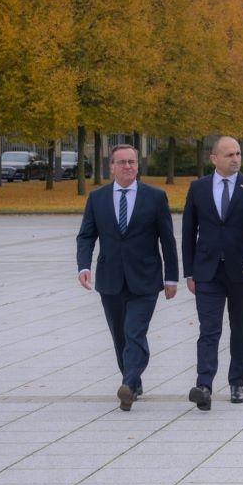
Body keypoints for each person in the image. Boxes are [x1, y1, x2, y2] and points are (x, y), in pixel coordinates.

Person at [76, 144, 178, 411]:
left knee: (135, 332)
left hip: (145, 279)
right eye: (121, 162)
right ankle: (132, 378)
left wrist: (172, 278)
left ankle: (128, 385)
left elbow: (167, 240)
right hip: (110, 279)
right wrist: (83, 266)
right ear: (111, 167)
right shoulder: (97, 198)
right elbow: (86, 235)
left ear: (137, 165)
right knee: (120, 337)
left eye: (132, 161)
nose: (127, 166)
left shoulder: (155, 197)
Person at [182, 136, 243, 410]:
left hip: (242, 270)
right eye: (230, 154)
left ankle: (237, 382)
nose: (236, 158)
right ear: (214, 159)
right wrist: (189, 272)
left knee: (241, 329)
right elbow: (188, 232)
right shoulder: (198, 188)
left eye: (238, 153)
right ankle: (204, 385)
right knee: (208, 330)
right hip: (207, 271)